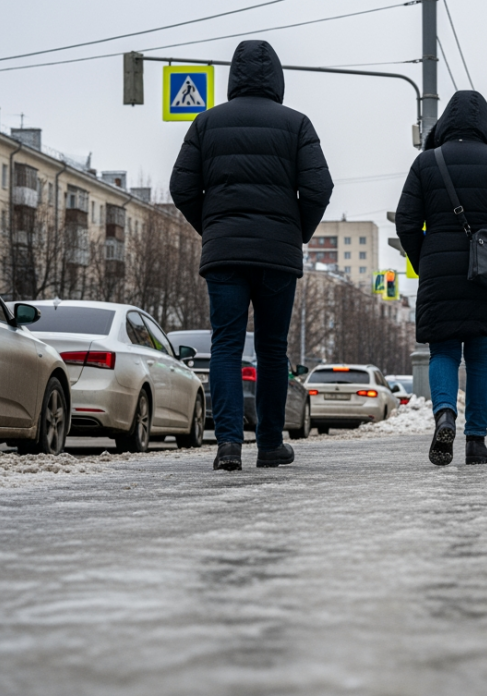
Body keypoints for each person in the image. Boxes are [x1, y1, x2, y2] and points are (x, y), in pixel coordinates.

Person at [170, 40, 333, 471]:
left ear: (232, 77)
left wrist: (216, 229)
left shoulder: (206, 123)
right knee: (272, 349)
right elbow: (319, 189)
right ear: (277, 78)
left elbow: (182, 188)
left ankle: (227, 445)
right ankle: (269, 445)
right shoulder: (296, 124)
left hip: (225, 254)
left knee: (225, 346)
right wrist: (295, 232)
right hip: (277, 254)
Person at [395, 91, 487, 466]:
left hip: (439, 270)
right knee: (480, 356)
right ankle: (476, 442)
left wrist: (425, 260)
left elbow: (406, 221)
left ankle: (444, 414)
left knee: (442, 350)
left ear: (444, 125)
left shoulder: (426, 162)